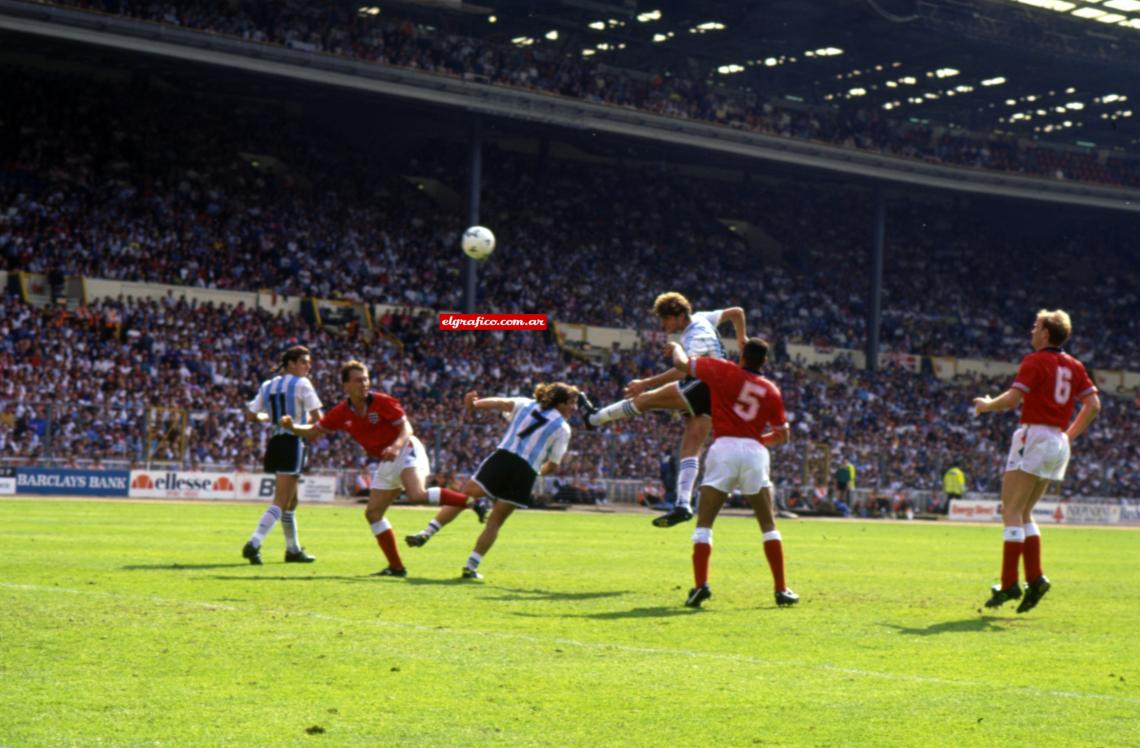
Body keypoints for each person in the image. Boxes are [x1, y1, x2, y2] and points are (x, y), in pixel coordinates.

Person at [283, 360, 489, 576]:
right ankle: (396, 567)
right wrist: (292, 427)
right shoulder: (341, 412)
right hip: (387, 459)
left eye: (366, 379)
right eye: (358, 380)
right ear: (346, 386)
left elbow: (406, 427)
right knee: (373, 513)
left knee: (416, 494)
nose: (364, 383)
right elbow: (314, 431)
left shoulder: (382, 401)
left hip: (406, 448)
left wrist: (395, 446)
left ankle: (473, 502)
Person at [579, 292, 746, 528]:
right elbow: (737, 312)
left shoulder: (695, 333)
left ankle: (593, 418)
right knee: (690, 448)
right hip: (721, 392)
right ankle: (682, 505)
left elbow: (683, 369)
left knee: (646, 399)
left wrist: (644, 382)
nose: (663, 325)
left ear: (679, 316)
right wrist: (742, 339)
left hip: (704, 385)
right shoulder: (704, 318)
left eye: (665, 319)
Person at [973, 309, 1100, 613]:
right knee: (1026, 513)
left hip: (1034, 436)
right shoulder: (1075, 365)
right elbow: (1093, 404)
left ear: (1046, 333)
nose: (1031, 331)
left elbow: (1012, 400)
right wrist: (1069, 435)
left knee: (1011, 511)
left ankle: (1008, 584)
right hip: (1057, 441)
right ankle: (1035, 578)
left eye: (1035, 326)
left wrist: (986, 405)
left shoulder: (1035, 361)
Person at [665, 337, 798, 609]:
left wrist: (675, 346)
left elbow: (680, 363)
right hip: (754, 452)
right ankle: (781, 589)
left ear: (742, 356)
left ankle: (701, 586)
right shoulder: (771, 390)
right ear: (765, 362)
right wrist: (756, 441)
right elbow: (783, 435)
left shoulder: (723, 369)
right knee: (768, 525)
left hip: (723, 447)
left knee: (704, 525)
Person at [459, 382, 579, 580]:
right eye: (572, 403)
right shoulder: (562, 428)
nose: (574, 408)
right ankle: (471, 565)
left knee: (465, 496)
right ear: (561, 403)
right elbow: (554, 464)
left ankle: (430, 529)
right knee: (495, 521)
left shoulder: (528, 404)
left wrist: (476, 403)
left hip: (504, 456)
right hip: (526, 470)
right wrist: (538, 473)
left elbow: (500, 402)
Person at [241, 345, 323, 565]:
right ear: (291, 364)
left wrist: (268, 418)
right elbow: (317, 417)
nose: (308, 366)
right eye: (304, 362)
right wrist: (300, 425)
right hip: (292, 442)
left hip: (275, 442)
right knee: (281, 501)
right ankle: (254, 542)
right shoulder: (302, 384)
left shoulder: (268, 384)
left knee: (291, 501)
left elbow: (250, 415)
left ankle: (293, 550)